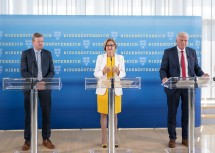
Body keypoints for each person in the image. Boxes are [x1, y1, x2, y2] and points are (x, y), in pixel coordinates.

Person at [159, 32, 209, 148]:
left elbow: (196, 67)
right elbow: (163, 69)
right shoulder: (168, 52)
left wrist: (202, 74)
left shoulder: (192, 51)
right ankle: (172, 138)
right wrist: (164, 77)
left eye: (186, 40)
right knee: (172, 113)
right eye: (182, 40)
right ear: (177, 40)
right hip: (173, 87)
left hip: (189, 87)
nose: (184, 43)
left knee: (187, 113)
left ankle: (185, 138)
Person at [20, 32, 55, 151]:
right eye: (39, 41)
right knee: (28, 115)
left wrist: (43, 82)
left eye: (42, 41)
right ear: (33, 42)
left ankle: (46, 138)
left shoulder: (48, 53)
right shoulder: (26, 54)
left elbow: (52, 71)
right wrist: (35, 82)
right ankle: (27, 140)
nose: (41, 43)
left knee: (46, 114)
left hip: (44, 88)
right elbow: (23, 71)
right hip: (30, 88)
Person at [94, 38, 126, 148]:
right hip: (103, 88)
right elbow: (96, 73)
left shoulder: (120, 58)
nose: (110, 47)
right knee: (103, 114)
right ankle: (104, 138)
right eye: (108, 45)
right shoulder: (100, 57)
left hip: (115, 89)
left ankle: (114, 138)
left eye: (112, 45)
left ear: (115, 47)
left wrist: (118, 72)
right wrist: (103, 71)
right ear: (105, 47)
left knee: (114, 114)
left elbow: (123, 74)